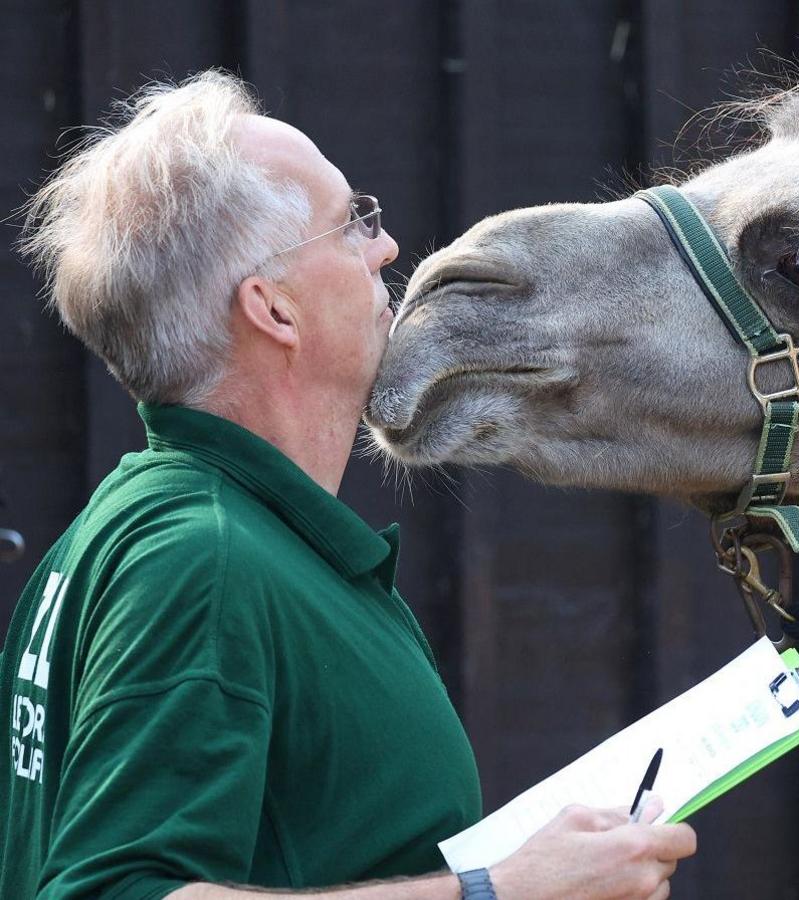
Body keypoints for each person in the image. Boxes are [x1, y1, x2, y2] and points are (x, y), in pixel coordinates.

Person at [3, 70, 695, 900]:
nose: (386, 249)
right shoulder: (201, 561)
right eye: (349, 226)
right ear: (275, 310)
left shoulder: (159, 532)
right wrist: (502, 891)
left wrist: (547, 875)